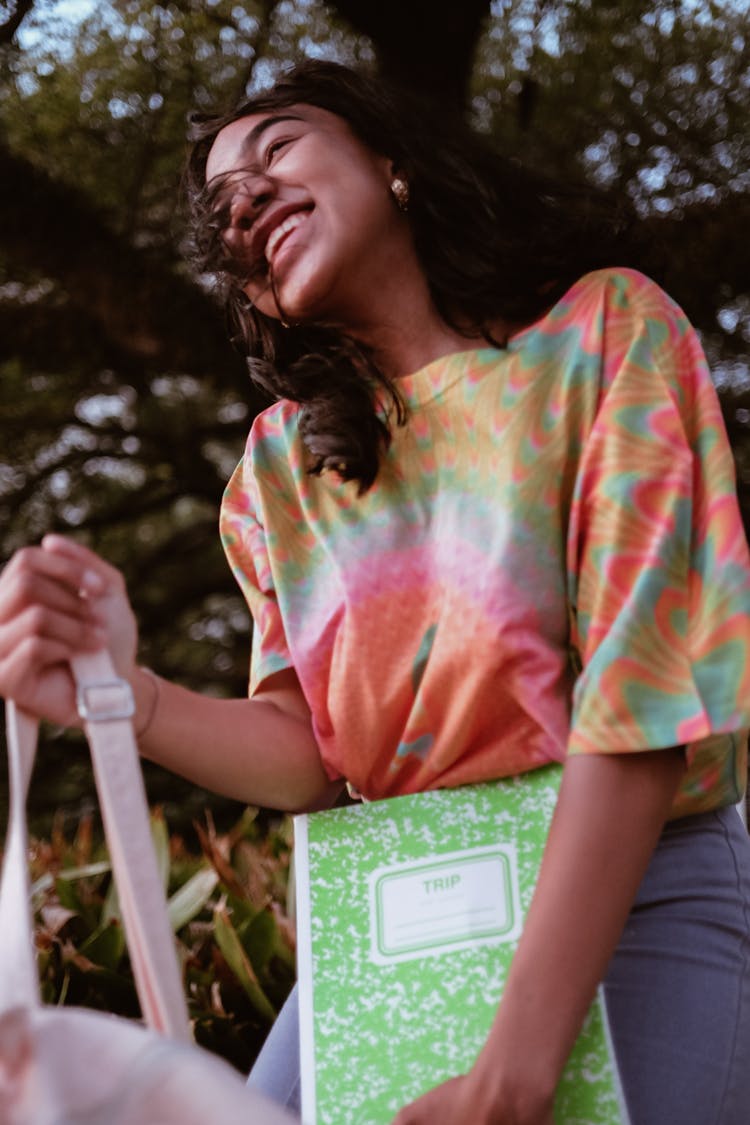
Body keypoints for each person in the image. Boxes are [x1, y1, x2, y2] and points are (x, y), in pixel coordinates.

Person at [1, 59, 749, 1125]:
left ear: (393, 164)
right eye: (223, 205)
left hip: (644, 889)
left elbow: (647, 693)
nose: (247, 196)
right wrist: (126, 696)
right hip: (406, 920)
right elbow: (310, 756)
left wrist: (518, 1066)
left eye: (277, 150)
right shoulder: (275, 472)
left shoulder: (606, 333)